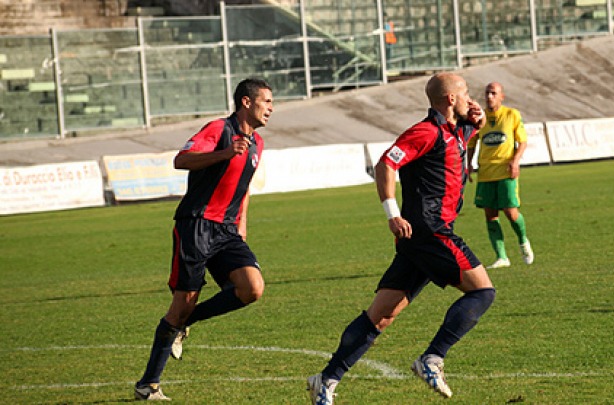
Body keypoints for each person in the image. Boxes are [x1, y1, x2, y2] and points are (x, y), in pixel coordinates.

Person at [306, 72, 496, 404]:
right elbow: (386, 165)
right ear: (450, 99)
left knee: (380, 316)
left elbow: (463, 134)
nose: (471, 98)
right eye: (465, 92)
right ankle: (432, 358)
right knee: (482, 291)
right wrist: (392, 212)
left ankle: (326, 379)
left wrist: (476, 122)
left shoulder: (454, 130)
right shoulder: (425, 132)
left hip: (418, 238)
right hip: (429, 230)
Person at [134, 78, 274, 401]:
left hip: (227, 231)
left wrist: (242, 224)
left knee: (252, 288)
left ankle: (188, 322)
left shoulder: (258, 143)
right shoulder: (219, 130)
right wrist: (224, 152)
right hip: (196, 224)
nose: (271, 108)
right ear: (246, 102)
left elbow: (245, 185)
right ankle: (148, 384)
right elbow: (181, 159)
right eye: (266, 101)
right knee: (182, 303)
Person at [466, 81, 533, 269]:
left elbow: (522, 142)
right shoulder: (480, 118)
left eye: (493, 93)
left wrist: (515, 161)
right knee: (490, 215)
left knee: (510, 212)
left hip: (505, 171)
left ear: (501, 96)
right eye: (487, 93)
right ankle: (502, 257)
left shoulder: (512, 115)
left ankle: (522, 241)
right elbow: (471, 143)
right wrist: (469, 164)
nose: (489, 97)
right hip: (486, 172)